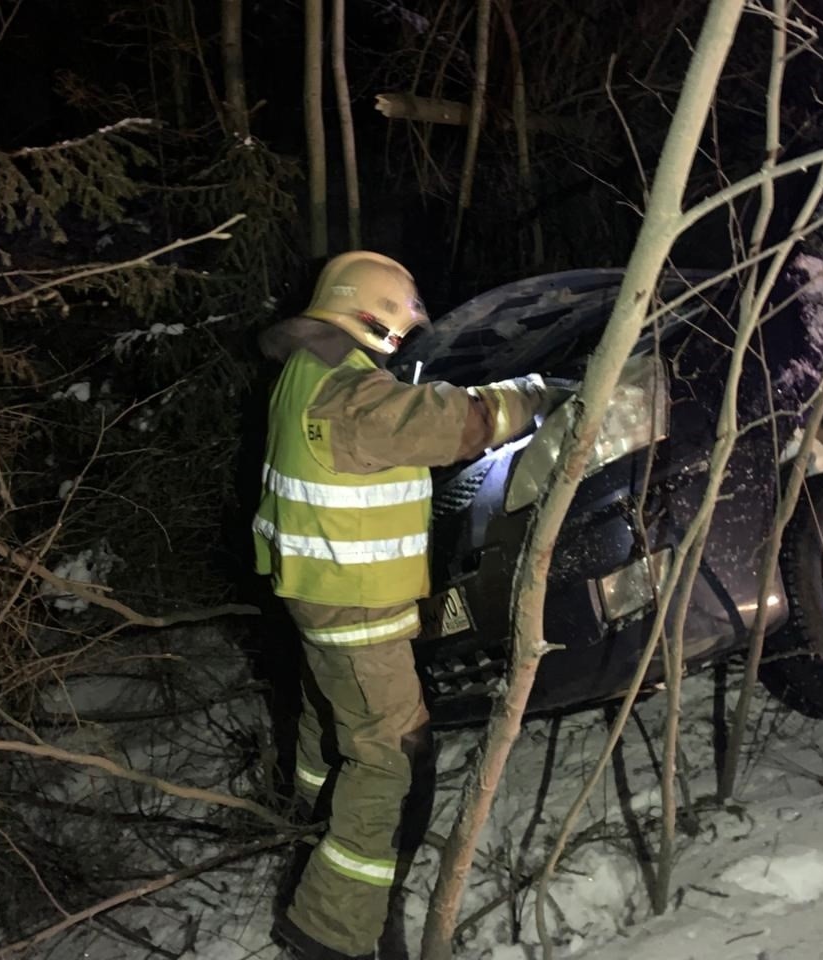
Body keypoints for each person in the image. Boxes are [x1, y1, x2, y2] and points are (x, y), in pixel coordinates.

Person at [253, 251, 555, 960]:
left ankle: (305, 816)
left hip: (321, 594)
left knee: (332, 717)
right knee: (390, 759)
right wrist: (537, 396)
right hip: (352, 607)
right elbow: (456, 422)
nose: (402, 340)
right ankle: (333, 927)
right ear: (375, 316)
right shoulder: (346, 396)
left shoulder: (308, 373)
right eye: (399, 325)